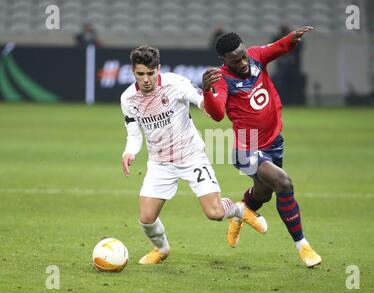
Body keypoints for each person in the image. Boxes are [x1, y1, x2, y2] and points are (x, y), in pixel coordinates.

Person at [120, 46, 267, 265]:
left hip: (191, 157)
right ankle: (161, 249)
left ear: (158, 69)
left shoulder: (175, 84)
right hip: (160, 163)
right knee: (147, 219)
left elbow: (204, 106)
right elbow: (134, 134)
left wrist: (207, 93)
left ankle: (239, 210)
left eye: (151, 73)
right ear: (133, 72)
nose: (146, 79)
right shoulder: (128, 99)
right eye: (141, 74)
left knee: (215, 213)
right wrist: (129, 152)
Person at [202, 27, 322, 267]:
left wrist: (291, 40)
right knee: (283, 183)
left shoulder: (255, 56)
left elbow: (277, 48)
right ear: (223, 61)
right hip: (247, 146)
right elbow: (216, 115)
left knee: (263, 194)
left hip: (274, 141)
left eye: (243, 55)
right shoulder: (222, 79)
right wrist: (207, 91)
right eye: (236, 60)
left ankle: (240, 213)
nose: (244, 62)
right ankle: (303, 246)